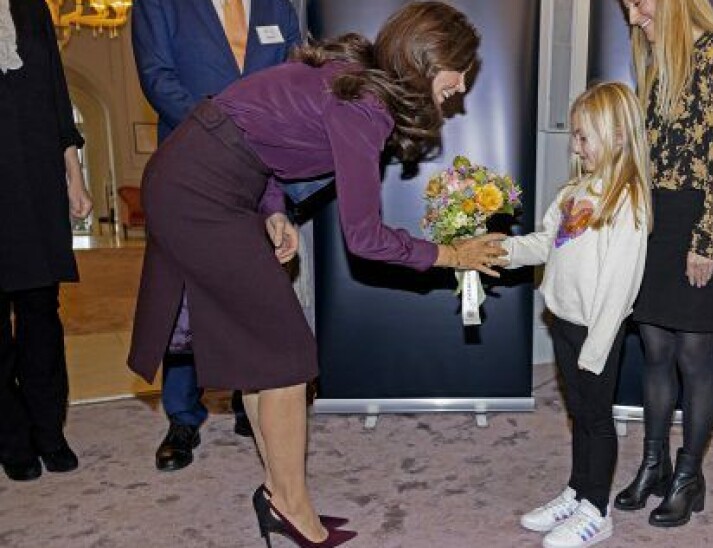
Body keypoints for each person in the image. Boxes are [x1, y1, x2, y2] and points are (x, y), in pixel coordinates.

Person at [127, 3, 505, 546]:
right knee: (285, 358)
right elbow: (365, 237)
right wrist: (453, 254)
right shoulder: (364, 104)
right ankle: (291, 506)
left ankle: (279, 494)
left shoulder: (351, 82)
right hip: (200, 191)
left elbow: (256, 130)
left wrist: (273, 207)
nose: (462, 86)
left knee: (265, 359)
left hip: (214, 180)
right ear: (429, 60)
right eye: (460, 69)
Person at [132, 0, 301, 472]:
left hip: (259, 165)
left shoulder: (277, 7)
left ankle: (253, 392)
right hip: (190, 163)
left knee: (253, 287)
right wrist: (224, 130)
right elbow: (157, 75)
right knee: (184, 294)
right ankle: (183, 417)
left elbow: (290, 80)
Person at [614, 0, 713, 528]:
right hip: (656, 220)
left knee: (694, 353)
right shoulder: (656, 61)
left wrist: (710, 241)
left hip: (703, 220)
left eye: (640, 3)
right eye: (627, 6)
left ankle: (689, 477)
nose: (633, 17)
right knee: (654, 347)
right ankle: (655, 463)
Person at [511, 82, 651, 548]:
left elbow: (619, 287)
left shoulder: (625, 200)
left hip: (597, 332)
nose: (575, 145)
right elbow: (545, 244)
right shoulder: (576, 192)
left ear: (615, 135)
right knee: (579, 414)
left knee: (595, 419)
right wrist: (500, 250)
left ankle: (597, 508)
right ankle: (578, 490)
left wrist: (597, 346)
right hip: (565, 323)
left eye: (583, 136)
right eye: (574, 136)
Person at [0, 0, 93, 481]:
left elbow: (59, 99)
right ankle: (12, 437)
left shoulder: (33, 8)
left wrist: (74, 180)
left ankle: (49, 430)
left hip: (35, 180)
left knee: (41, 314)